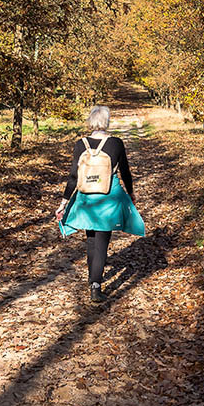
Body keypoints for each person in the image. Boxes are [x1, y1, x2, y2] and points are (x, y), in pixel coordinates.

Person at [56, 105, 145, 303]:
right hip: (108, 198)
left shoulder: (81, 144)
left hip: (87, 198)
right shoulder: (116, 143)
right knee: (102, 241)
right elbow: (125, 172)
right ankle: (96, 285)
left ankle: (92, 278)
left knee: (91, 239)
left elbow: (73, 177)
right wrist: (131, 193)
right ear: (106, 121)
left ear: (91, 121)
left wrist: (63, 202)